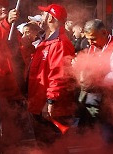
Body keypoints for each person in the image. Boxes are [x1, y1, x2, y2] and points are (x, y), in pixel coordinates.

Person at [26, 4, 76, 145]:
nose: (41, 16)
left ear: (50, 18)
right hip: (39, 104)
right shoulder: (47, 41)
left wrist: (50, 102)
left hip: (51, 109)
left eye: (44, 14)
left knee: (53, 147)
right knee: (45, 145)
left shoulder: (59, 43)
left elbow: (59, 76)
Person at [74, 19, 113, 143]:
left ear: (104, 33)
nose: (90, 42)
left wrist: (94, 80)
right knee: (97, 137)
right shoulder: (95, 46)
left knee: (109, 137)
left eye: (93, 38)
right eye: (88, 38)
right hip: (98, 101)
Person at [0, 0, 30, 151]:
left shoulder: (12, 30)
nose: (3, 8)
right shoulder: (3, 27)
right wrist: (6, 23)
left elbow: (20, 54)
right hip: (2, 89)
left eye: (4, 6)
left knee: (14, 130)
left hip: (14, 88)